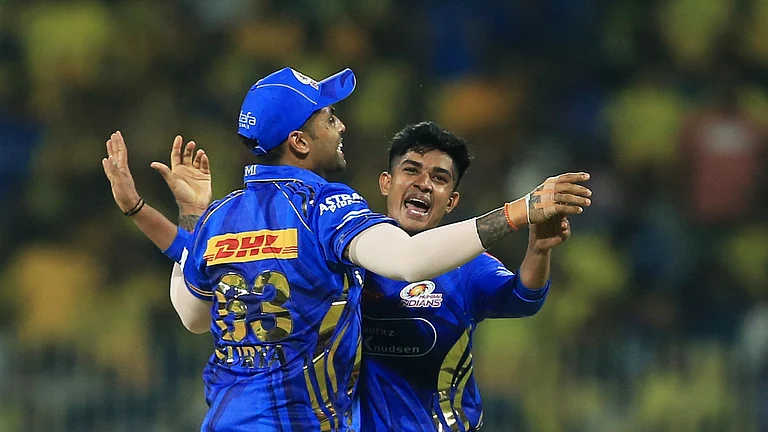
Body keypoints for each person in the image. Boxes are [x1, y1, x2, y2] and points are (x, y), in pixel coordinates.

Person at [103, 67, 592, 431]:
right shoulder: (324, 205)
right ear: (300, 141)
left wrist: (187, 215)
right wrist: (520, 210)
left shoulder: (220, 216)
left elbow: (192, 315)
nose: (341, 128)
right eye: (329, 118)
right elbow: (407, 260)